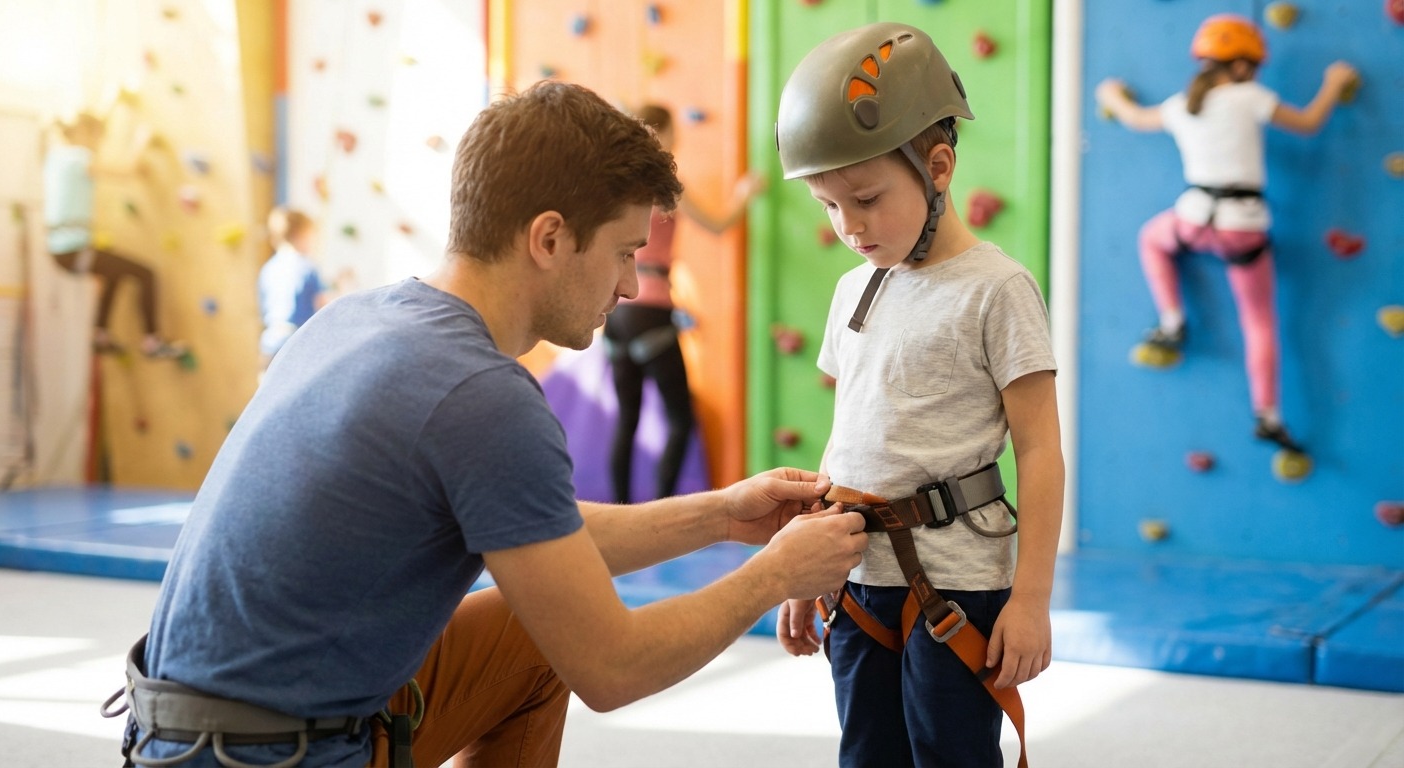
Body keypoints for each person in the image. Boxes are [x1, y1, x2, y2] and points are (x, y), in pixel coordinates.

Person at [109, 80, 868, 768]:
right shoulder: (480, 392)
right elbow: (612, 667)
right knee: (568, 639)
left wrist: (723, 516)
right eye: (623, 252)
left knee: (525, 626)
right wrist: (777, 574)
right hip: (264, 756)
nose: (632, 283)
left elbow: (540, 534)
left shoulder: (364, 317)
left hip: (184, 733)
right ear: (548, 238)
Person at [771, 23, 1063, 767]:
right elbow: (848, 432)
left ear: (938, 168)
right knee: (866, 753)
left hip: (956, 584)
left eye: (866, 199)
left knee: (952, 754)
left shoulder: (997, 289)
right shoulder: (852, 288)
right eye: (829, 206)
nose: (849, 226)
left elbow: (1040, 450)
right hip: (858, 577)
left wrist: (1030, 600)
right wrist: (809, 562)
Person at [1096, 14, 1357, 453]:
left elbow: (1137, 119)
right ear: (1239, 67)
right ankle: (1268, 415)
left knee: (1151, 239)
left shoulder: (1182, 105)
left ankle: (1172, 320)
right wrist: (1334, 82)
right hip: (1242, 227)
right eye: (1253, 66)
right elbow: (1309, 122)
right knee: (1260, 322)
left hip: (1194, 220)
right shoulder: (1249, 96)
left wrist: (1111, 94)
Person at [603, 103, 761, 503]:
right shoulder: (662, 184)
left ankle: (620, 512)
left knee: (628, 419)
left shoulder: (618, 186)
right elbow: (720, 223)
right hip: (652, 309)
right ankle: (660, 513)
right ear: (665, 133)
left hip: (618, 315)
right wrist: (744, 194)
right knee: (678, 419)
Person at [44, 110, 187, 359]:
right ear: (84, 133)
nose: (97, 145)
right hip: (74, 249)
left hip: (62, 250)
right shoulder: (78, 157)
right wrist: (141, 140)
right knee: (146, 273)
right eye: (98, 138)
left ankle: (100, 334)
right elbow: (126, 171)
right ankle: (152, 341)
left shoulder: (55, 158)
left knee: (115, 274)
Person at [257, 207, 353, 370]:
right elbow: (324, 307)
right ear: (299, 235)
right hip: (295, 344)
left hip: (269, 343)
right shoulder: (306, 267)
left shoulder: (268, 269)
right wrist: (343, 290)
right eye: (310, 237)